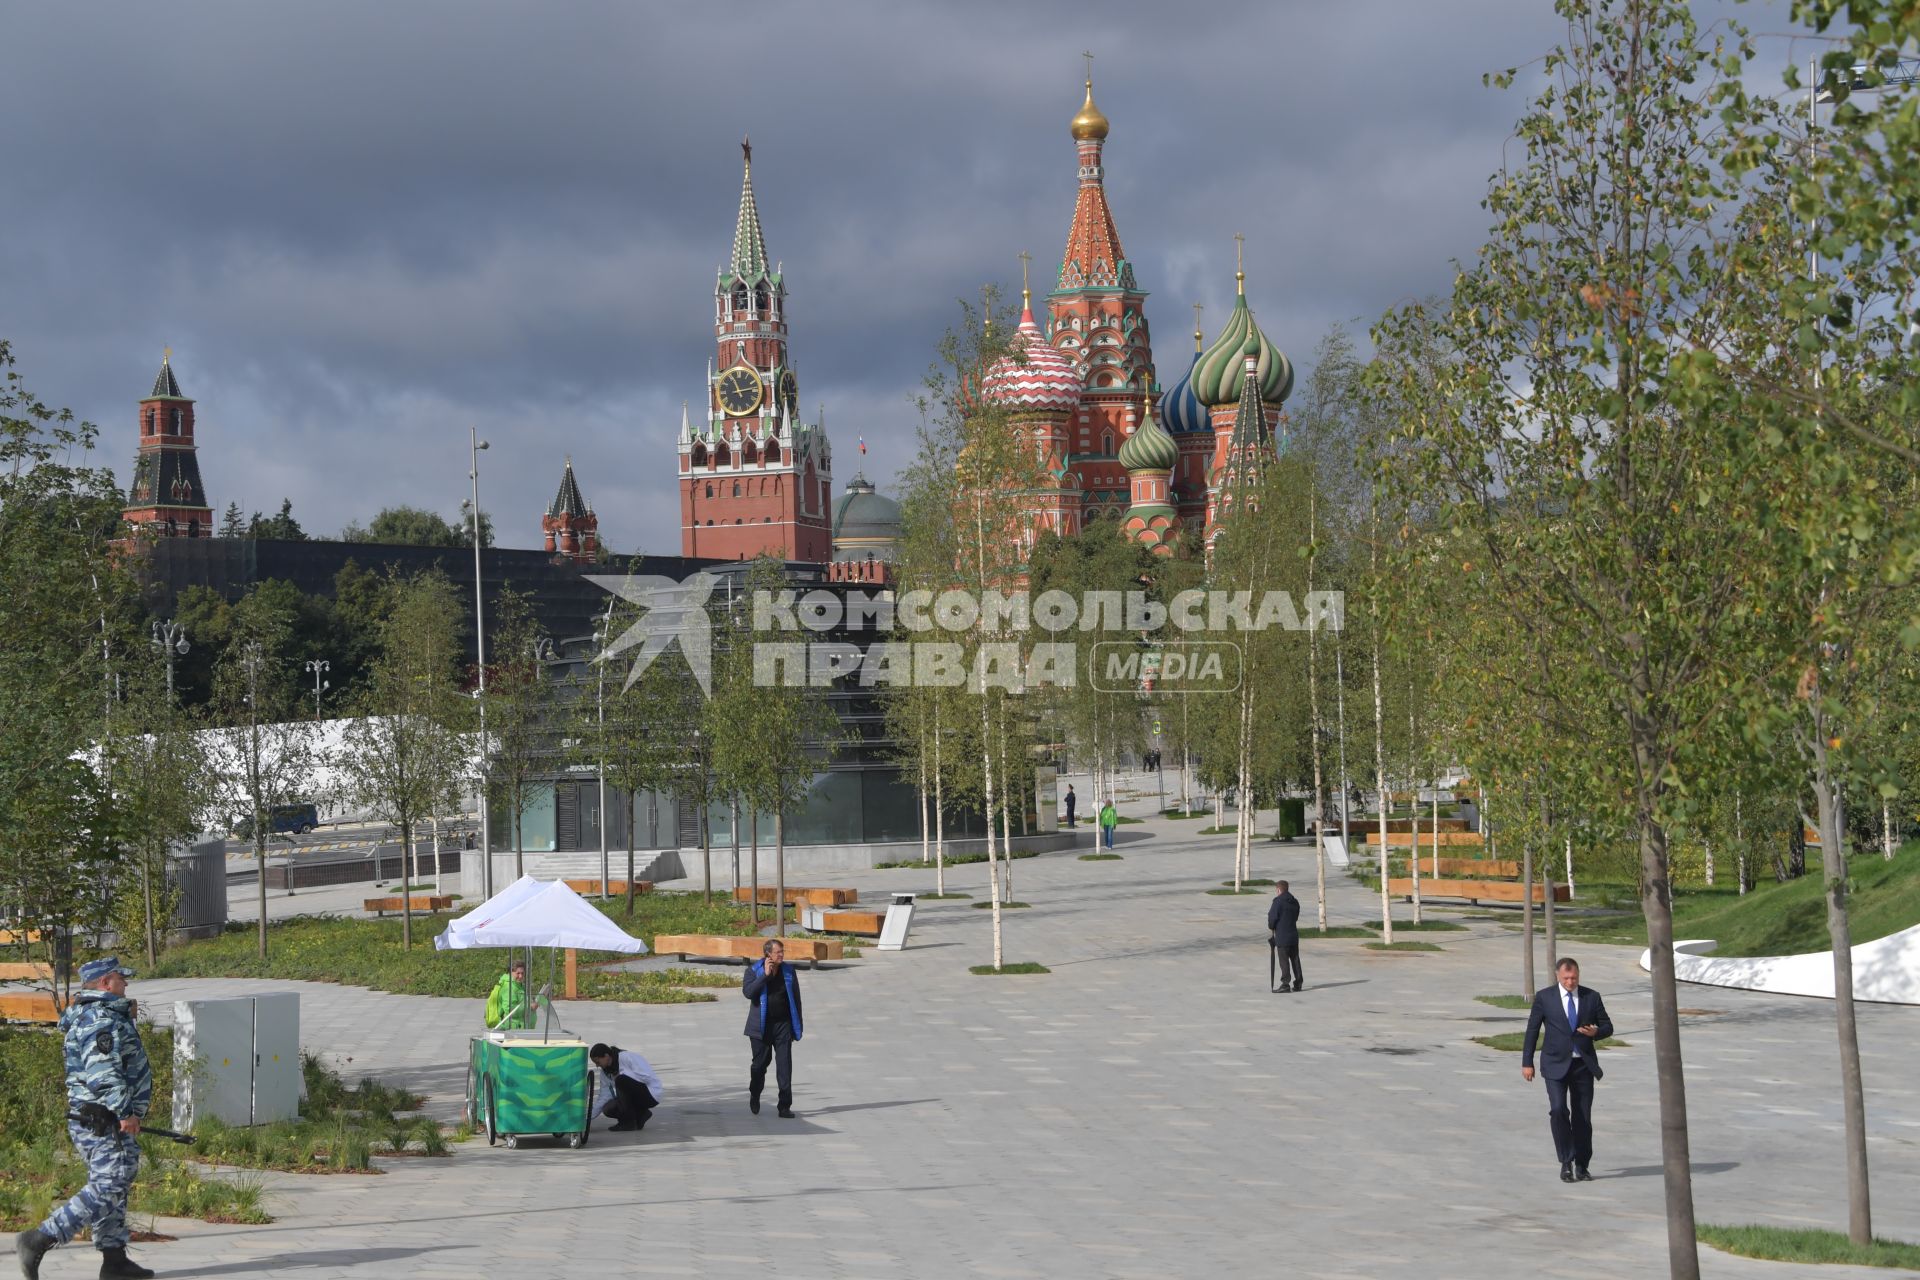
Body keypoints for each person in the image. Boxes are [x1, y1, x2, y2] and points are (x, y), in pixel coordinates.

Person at [16, 957, 155, 1280]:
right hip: (102, 1118)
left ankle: (114, 1259)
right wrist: (125, 1111)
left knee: (114, 1185)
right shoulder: (98, 1020)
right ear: (106, 983)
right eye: (122, 979)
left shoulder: (102, 1015)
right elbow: (103, 1074)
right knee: (112, 1180)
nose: (126, 984)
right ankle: (39, 1238)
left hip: (99, 1117)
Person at [1521, 957, 1615, 1183]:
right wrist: (1527, 1062)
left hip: (1582, 1065)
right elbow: (1532, 1030)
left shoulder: (1591, 997)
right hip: (1554, 1064)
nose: (1571, 982)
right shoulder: (1545, 998)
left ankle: (1582, 1165)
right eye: (1566, 978)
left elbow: (1608, 1026)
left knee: (1582, 1117)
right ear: (1557, 976)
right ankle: (1566, 1161)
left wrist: (1597, 1033)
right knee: (1558, 1110)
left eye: (1574, 978)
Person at [743, 939, 803, 1119]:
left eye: (782, 952)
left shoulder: (789, 971)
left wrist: (796, 1025)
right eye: (778, 952)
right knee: (759, 1065)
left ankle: (784, 1106)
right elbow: (748, 993)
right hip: (760, 1027)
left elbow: (797, 999)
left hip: (783, 1025)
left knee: (785, 1065)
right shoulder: (753, 971)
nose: (782, 955)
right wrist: (765, 976)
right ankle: (755, 1093)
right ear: (768, 954)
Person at [588, 1043, 663, 1132]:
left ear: (606, 1056)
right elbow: (604, 1097)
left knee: (621, 1080)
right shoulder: (605, 1073)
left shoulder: (627, 1057)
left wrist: (624, 1077)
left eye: (598, 1062)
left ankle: (628, 1123)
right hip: (635, 1097)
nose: (597, 1065)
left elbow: (647, 1077)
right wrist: (586, 1118)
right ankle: (641, 1114)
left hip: (651, 1093)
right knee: (608, 1108)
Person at [1266, 880, 1303, 993]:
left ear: (1278, 890)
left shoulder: (1278, 902)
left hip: (1282, 936)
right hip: (1293, 935)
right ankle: (1298, 982)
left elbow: (1272, 918)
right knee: (1295, 959)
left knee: (1284, 961)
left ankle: (1285, 983)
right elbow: (1296, 916)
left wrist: (1272, 926)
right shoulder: (1295, 901)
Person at [485, 958, 535, 1031]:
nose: (520, 976)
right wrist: (530, 1007)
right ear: (510, 972)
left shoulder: (519, 985)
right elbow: (510, 1010)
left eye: (522, 973)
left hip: (520, 1028)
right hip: (511, 1029)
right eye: (518, 973)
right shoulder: (509, 987)